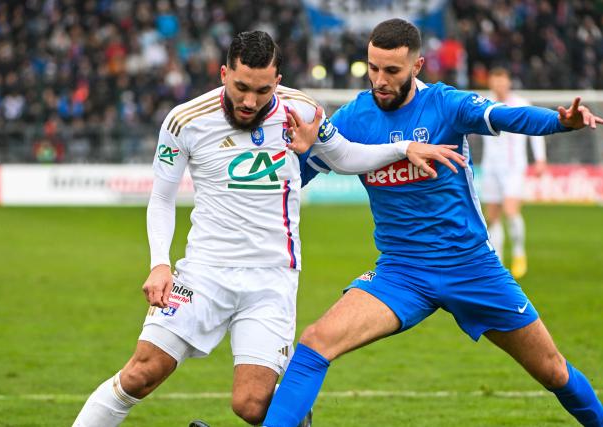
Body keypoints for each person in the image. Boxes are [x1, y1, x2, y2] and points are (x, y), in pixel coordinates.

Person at [72, 30, 464, 427]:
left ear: (277, 82)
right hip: (204, 273)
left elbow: (344, 155)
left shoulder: (302, 111)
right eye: (241, 87)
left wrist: (401, 148)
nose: (249, 101)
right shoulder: (185, 120)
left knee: (253, 406)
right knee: (141, 373)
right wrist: (159, 263)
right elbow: (162, 197)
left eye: (261, 91)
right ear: (224, 73)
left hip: (271, 280)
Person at [263, 19, 603, 427]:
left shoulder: (446, 104)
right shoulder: (354, 118)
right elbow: (299, 177)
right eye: (373, 68)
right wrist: (287, 163)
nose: (380, 80)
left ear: (418, 66)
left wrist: (559, 122)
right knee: (314, 343)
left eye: (392, 71)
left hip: (471, 268)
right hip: (401, 272)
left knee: (553, 370)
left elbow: (505, 115)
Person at [481, 67, 547, 278]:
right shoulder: (483, 103)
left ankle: (519, 253)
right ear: (491, 83)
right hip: (490, 166)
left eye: (503, 80)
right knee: (492, 216)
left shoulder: (521, 104)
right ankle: (497, 261)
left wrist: (540, 159)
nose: (499, 85)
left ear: (509, 82)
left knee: (511, 210)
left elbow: (536, 131)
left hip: (513, 167)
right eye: (495, 81)